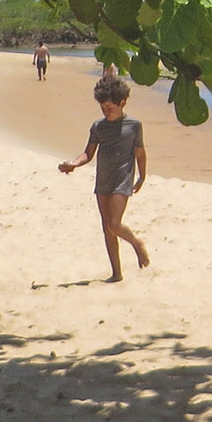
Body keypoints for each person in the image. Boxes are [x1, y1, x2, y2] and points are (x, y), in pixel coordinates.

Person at [58, 75, 152, 281]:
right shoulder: (98, 127)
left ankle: (137, 243)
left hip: (123, 179)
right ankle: (116, 273)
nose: (106, 112)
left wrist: (142, 176)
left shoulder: (134, 125)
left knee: (114, 224)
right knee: (107, 228)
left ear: (122, 102)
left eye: (110, 107)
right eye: (102, 108)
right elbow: (88, 154)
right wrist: (73, 164)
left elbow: (140, 154)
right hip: (103, 180)